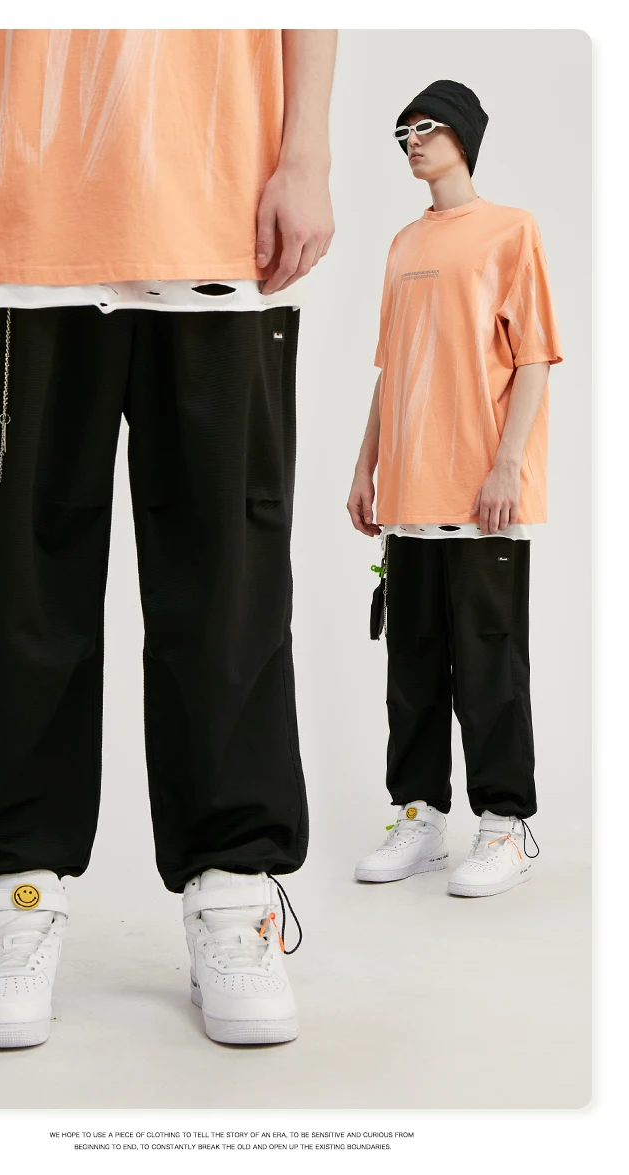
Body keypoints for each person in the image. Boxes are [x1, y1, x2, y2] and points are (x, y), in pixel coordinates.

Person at [0, 28, 336, 1048]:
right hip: (20, 215)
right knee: (16, 591)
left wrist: (307, 153)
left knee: (230, 586)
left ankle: (234, 886)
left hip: (220, 207)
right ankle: (14, 890)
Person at [347, 80, 561, 899]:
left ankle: (505, 825)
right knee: (412, 664)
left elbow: (534, 356)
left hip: (482, 494)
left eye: (426, 126)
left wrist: (508, 464)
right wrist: (364, 466)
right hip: (409, 492)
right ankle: (420, 816)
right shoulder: (403, 243)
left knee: (489, 665)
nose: (412, 140)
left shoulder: (511, 230)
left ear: (463, 136)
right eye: (403, 130)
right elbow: (390, 367)